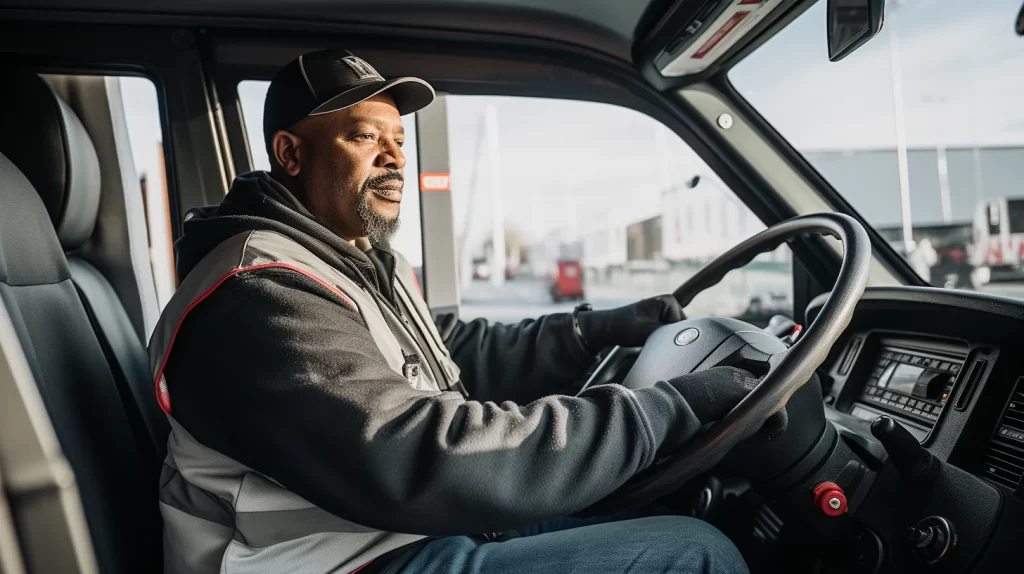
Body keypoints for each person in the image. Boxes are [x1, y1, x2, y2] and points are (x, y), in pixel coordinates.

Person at [150, 49, 755, 574]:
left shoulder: (358, 258)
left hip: (394, 532)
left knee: (653, 506)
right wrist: (664, 410)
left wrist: (598, 328)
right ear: (290, 154)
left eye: (398, 141)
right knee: (694, 555)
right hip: (334, 560)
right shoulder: (257, 290)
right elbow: (409, 454)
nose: (393, 157)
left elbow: (452, 353)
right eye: (364, 136)